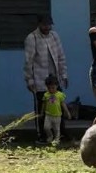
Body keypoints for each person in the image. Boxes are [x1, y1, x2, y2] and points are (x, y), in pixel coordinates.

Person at [23, 14, 68, 144]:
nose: (47, 27)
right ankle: (42, 136)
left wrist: (64, 75)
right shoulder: (32, 38)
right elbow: (28, 62)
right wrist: (29, 80)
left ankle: (60, 135)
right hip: (39, 80)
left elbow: (61, 57)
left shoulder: (54, 36)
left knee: (58, 106)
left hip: (54, 79)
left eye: (49, 25)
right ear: (39, 24)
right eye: (44, 25)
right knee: (42, 109)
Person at [41, 75, 72, 144]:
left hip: (57, 115)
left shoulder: (60, 95)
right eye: (49, 88)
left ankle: (57, 139)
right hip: (48, 115)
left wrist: (67, 112)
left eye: (53, 88)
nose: (51, 90)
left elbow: (63, 104)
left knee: (56, 129)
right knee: (46, 127)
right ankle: (50, 136)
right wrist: (42, 112)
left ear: (57, 86)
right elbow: (44, 104)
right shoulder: (46, 95)